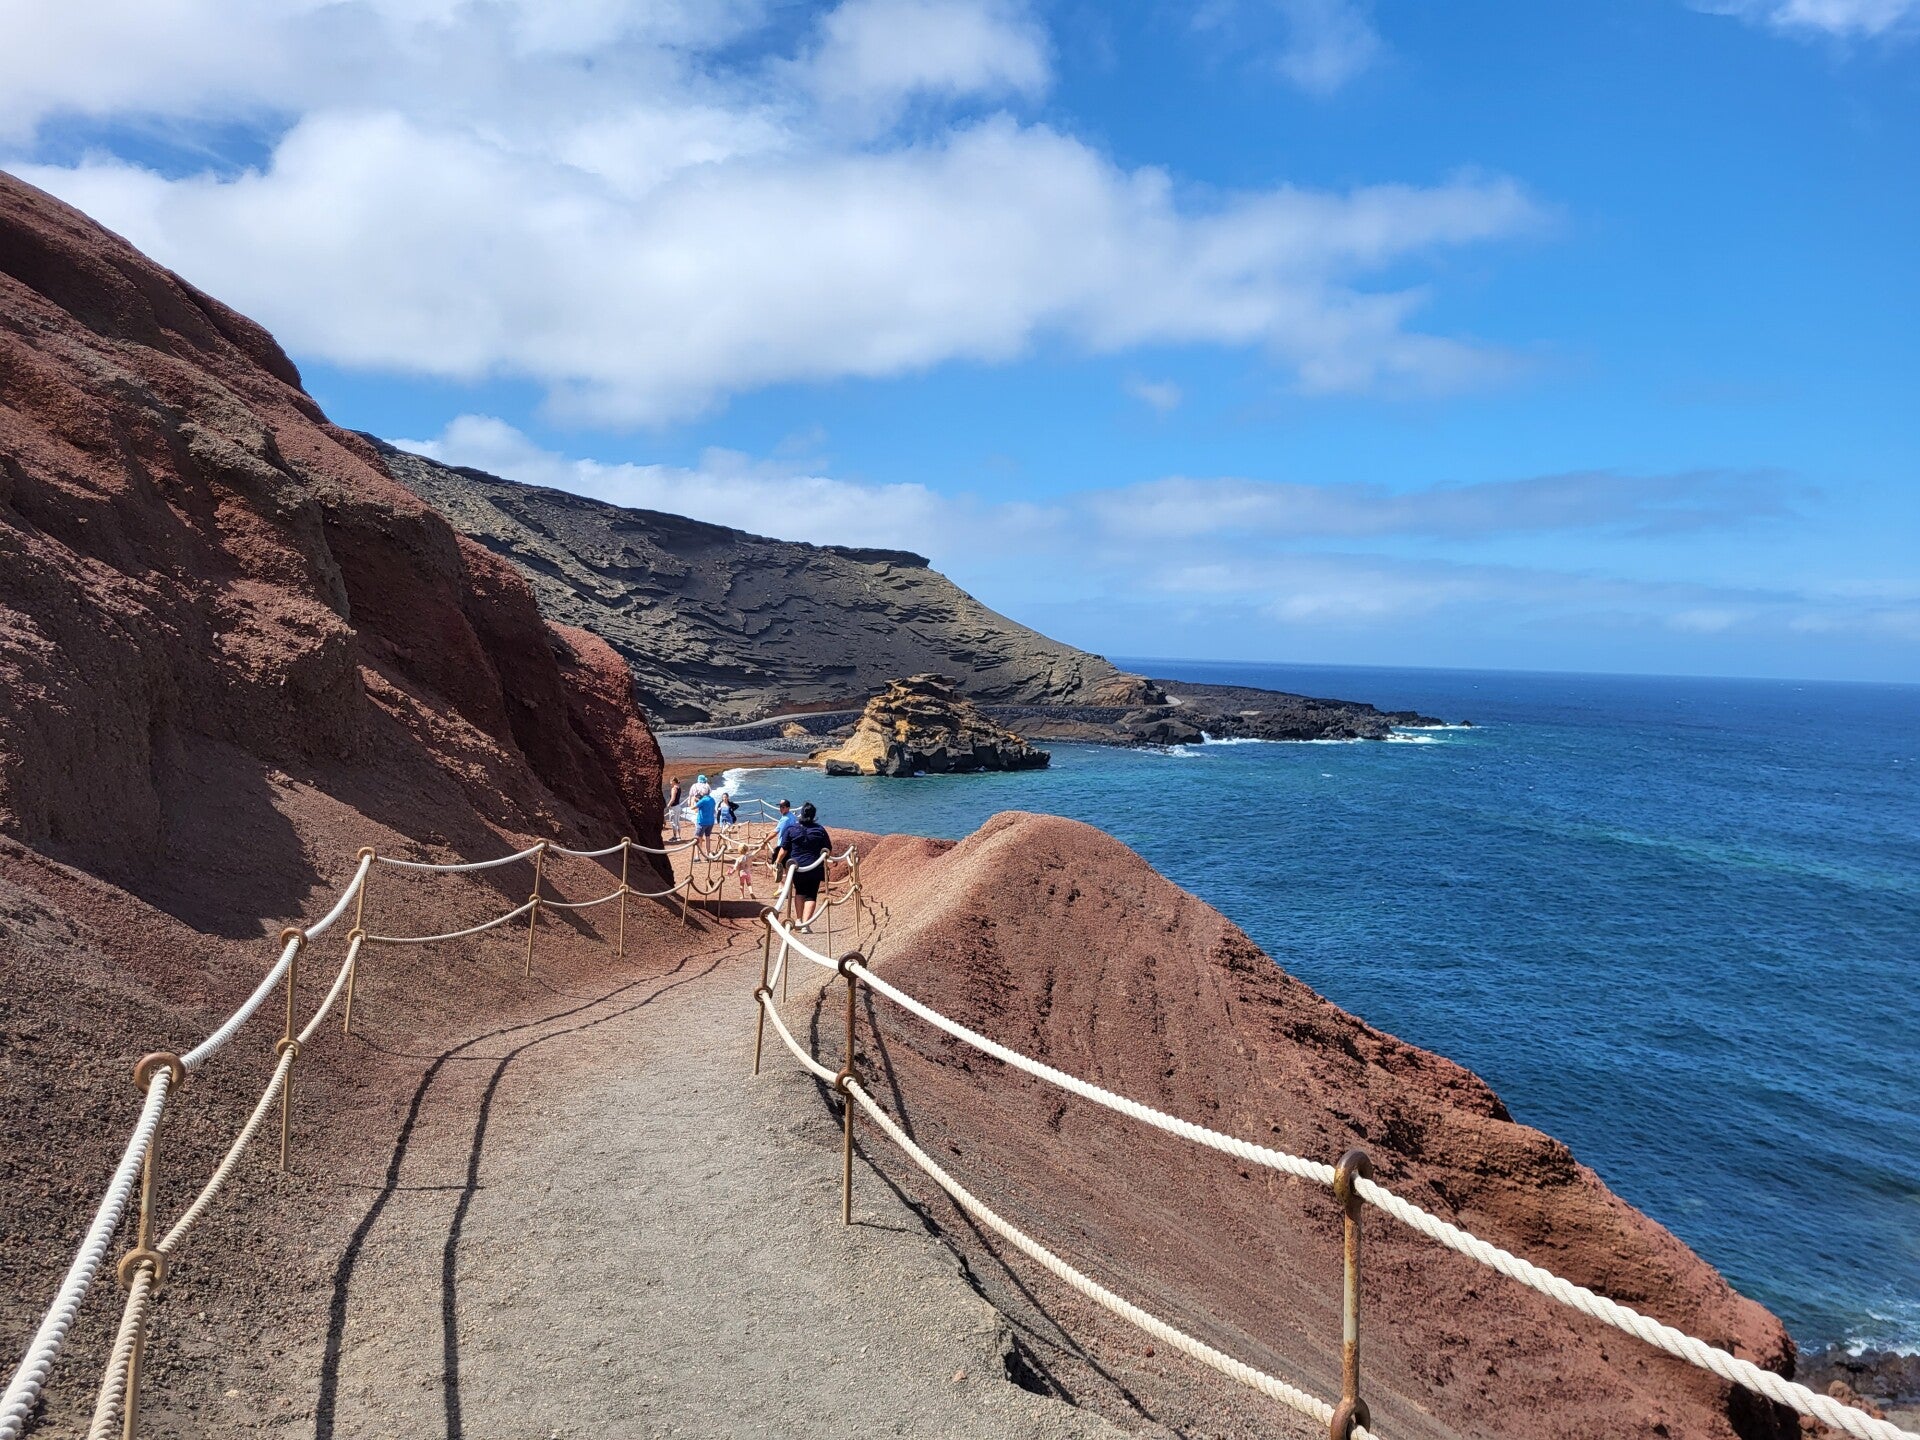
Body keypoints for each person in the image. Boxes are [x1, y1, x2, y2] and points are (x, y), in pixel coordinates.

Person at [785, 802, 832, 932]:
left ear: (801, 813)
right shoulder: (820, 830)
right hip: (814, 866)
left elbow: (784, 848)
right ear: (814, 815)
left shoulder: (792, 829)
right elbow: (827, 848)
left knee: (799, 892)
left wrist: (778, 862)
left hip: (797, 866)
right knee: (811, 895)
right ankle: (805, 924)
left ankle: (799, 920)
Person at [769, 798, 798, 877]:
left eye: (783, 807)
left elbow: (775, 832)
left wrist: (766, 840)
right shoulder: (792, 816)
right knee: (788, 866)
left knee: (779, 864)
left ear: (788, 808)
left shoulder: (785, 819)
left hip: (783, 845)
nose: (780, 809)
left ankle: (783, 883)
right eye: (780, 807)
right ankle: (787, 882)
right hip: (791, 844)